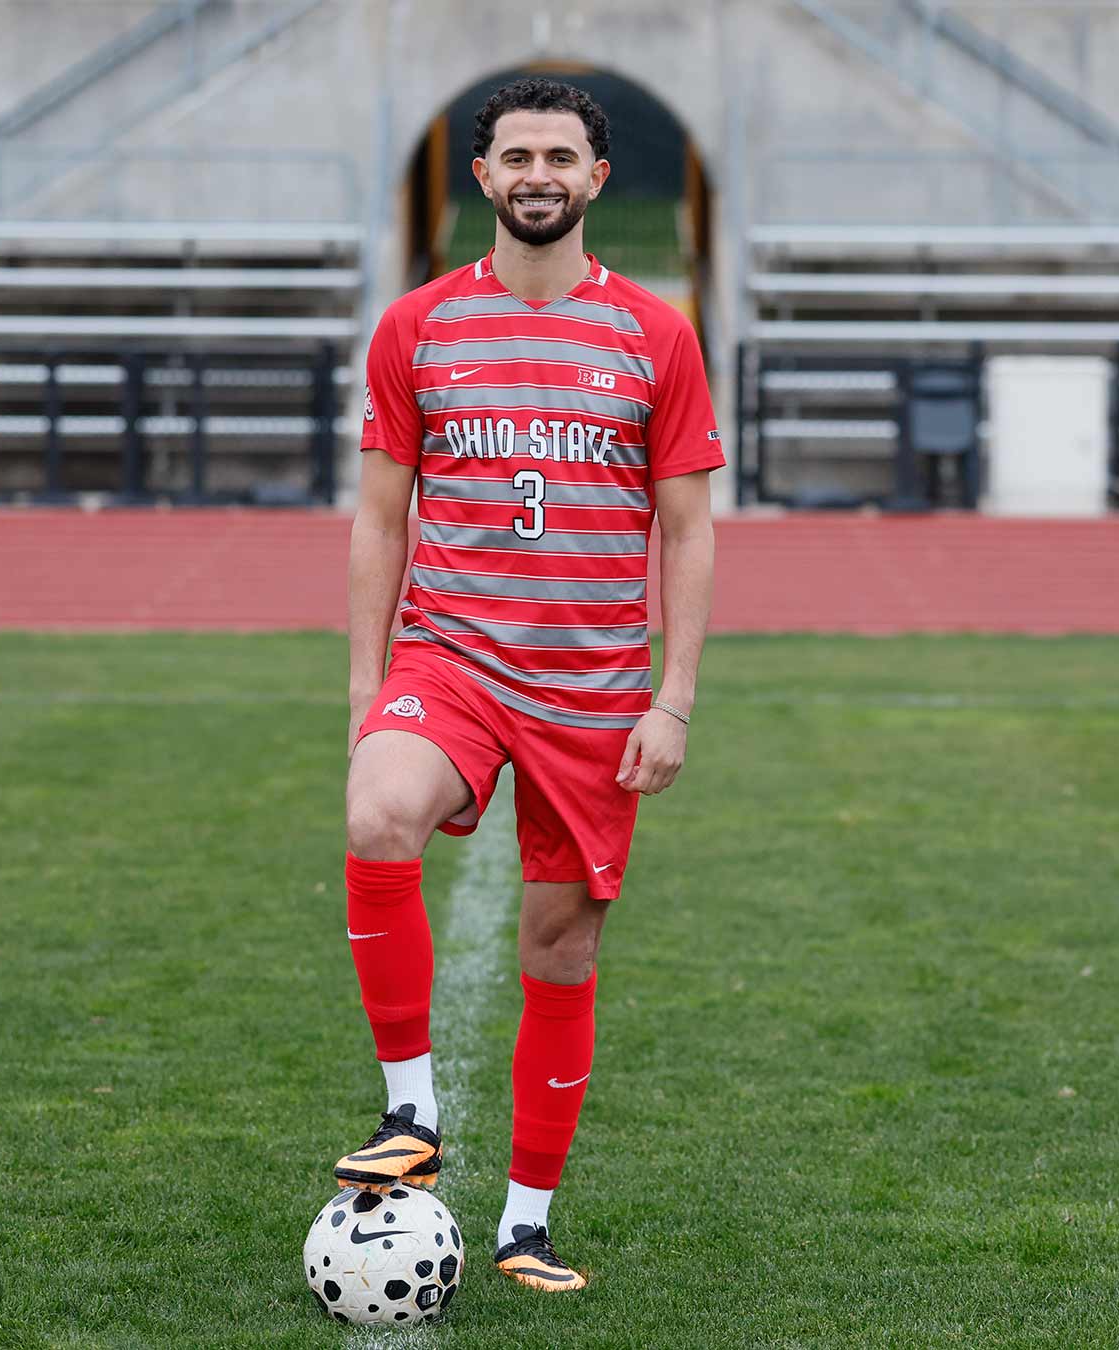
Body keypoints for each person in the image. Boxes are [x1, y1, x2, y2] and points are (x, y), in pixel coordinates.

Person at [334, 76, 720, 1294]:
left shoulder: (655, 334)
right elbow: (379, 520)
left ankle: (525, 1225)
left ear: (597, 179)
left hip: (593, 690)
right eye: (517, 155)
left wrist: (673, 698)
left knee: (559, 950)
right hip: (448, 659)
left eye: (562, 154)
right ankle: (412, 1115)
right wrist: (367, 682)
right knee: (375, 810)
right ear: (484, 177)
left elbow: (690, 529)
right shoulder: (418, 328)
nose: (538, 171)